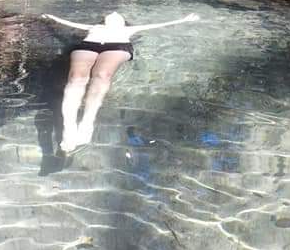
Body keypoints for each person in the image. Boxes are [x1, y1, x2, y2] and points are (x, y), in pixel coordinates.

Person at [41, 11, 199, 152]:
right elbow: (67, 23)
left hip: (117, 46)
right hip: (88, 45)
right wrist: (52, 18)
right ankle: (69, 128)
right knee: (77, 77)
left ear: (123, 22)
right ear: (104, 21)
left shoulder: (128, 29)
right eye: (109, 16)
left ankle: (87, 122)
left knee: (102, 74)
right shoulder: (94, 27)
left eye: (118, 16)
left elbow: (158, 25)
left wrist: (184, 20)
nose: (114, 14)